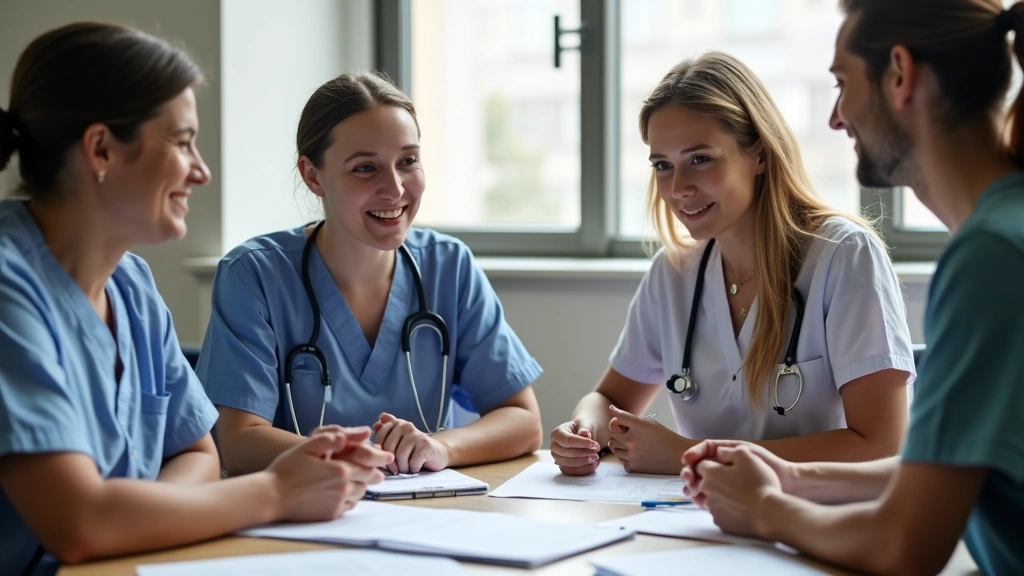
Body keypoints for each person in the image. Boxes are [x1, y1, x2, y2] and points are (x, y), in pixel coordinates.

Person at [0, 23, 393, 576]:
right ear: (101, 149)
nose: (202, 171)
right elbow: (81, 523)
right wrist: (277, 491)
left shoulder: (130, 286)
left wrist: (138, 518)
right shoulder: (8, 294)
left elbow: (197, 456)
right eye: (183, 142)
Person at [682, 2, 1024, 574]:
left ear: (899, 74)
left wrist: (766, 510)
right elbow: (945, 466)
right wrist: (791, 477)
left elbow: (904, 546)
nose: (837, 118)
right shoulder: (1004, 234)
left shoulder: (992, 260)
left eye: (843, 84)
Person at [551, 51, 916, 476]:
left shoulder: (844, 256)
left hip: (824, 519)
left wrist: (694, 454)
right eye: (662, 165)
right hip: (707, 521)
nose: (679, 188)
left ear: (759, 154)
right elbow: (608, 399)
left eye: (700, 159)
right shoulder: (673, 274)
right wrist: (584, 430)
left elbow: (881, 444)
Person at [197, 72, 544, 476]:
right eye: (365, 168)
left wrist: (439, 447)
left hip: (428, 515)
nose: (395, 189)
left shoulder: (449, 266)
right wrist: (358, 460)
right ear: (313, 176)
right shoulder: (253, 276)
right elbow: (237, 441)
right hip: (303, 519)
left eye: (408, 161)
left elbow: (522, 418)